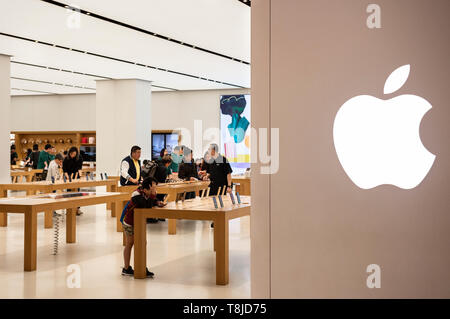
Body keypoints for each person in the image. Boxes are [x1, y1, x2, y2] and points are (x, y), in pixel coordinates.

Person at [120, 177, 166, 277]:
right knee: (130, 243)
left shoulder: (146, 193)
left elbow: (151, 202)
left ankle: (140, 267)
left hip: (138, 222)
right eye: (153, 186)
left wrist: (157, 202)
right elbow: (145, 205)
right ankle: (126, 268)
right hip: (129, 222)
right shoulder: (136, 195)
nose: (155, 188)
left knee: (142, 243)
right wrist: (154, 195)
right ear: (147, 187)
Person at [204, 144, 233, 228]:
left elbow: (228, 174)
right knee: (212, 203)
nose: (208, 150)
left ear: (214, 150)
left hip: (221, 186)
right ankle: (214, 220)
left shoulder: (223, 159)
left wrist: (229, 186)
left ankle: (220, 220)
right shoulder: (211, 160)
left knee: (221, 204)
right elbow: (211, 172)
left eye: (209, 149)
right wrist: (207, 176)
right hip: (212, 185)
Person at [63, 147, 84, 216]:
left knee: (77, 193)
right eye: (71, 154)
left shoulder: (79, 158)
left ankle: (77, 209)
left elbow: (79, 168)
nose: (72, 155)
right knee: (68, 193)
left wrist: (80, 177)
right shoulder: (66, 159)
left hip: (76, 177)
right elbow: (64, 170)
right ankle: (69, 209)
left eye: (74, 154)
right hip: (68, 177)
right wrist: (67, 177)